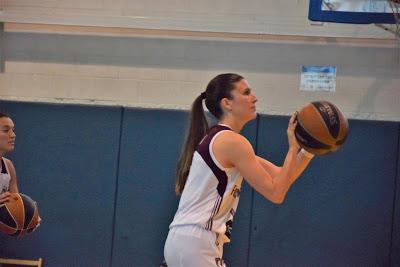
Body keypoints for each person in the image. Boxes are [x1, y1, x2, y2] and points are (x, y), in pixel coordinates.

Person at [163, 73, 315, 267]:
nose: (254, 98)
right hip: (197, 242)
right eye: (246, 92)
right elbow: (276, 193)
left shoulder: (223, 140)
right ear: (227, 103)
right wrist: (293, 148)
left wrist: (308, 151)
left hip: (187, 240)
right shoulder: (232, 142)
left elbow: (280, 175)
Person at [0, 112, 18, 205]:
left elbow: (15, 203)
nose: (13, 135)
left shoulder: (8, 166)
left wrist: (27, 209)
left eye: (13, 130)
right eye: (6, 130)